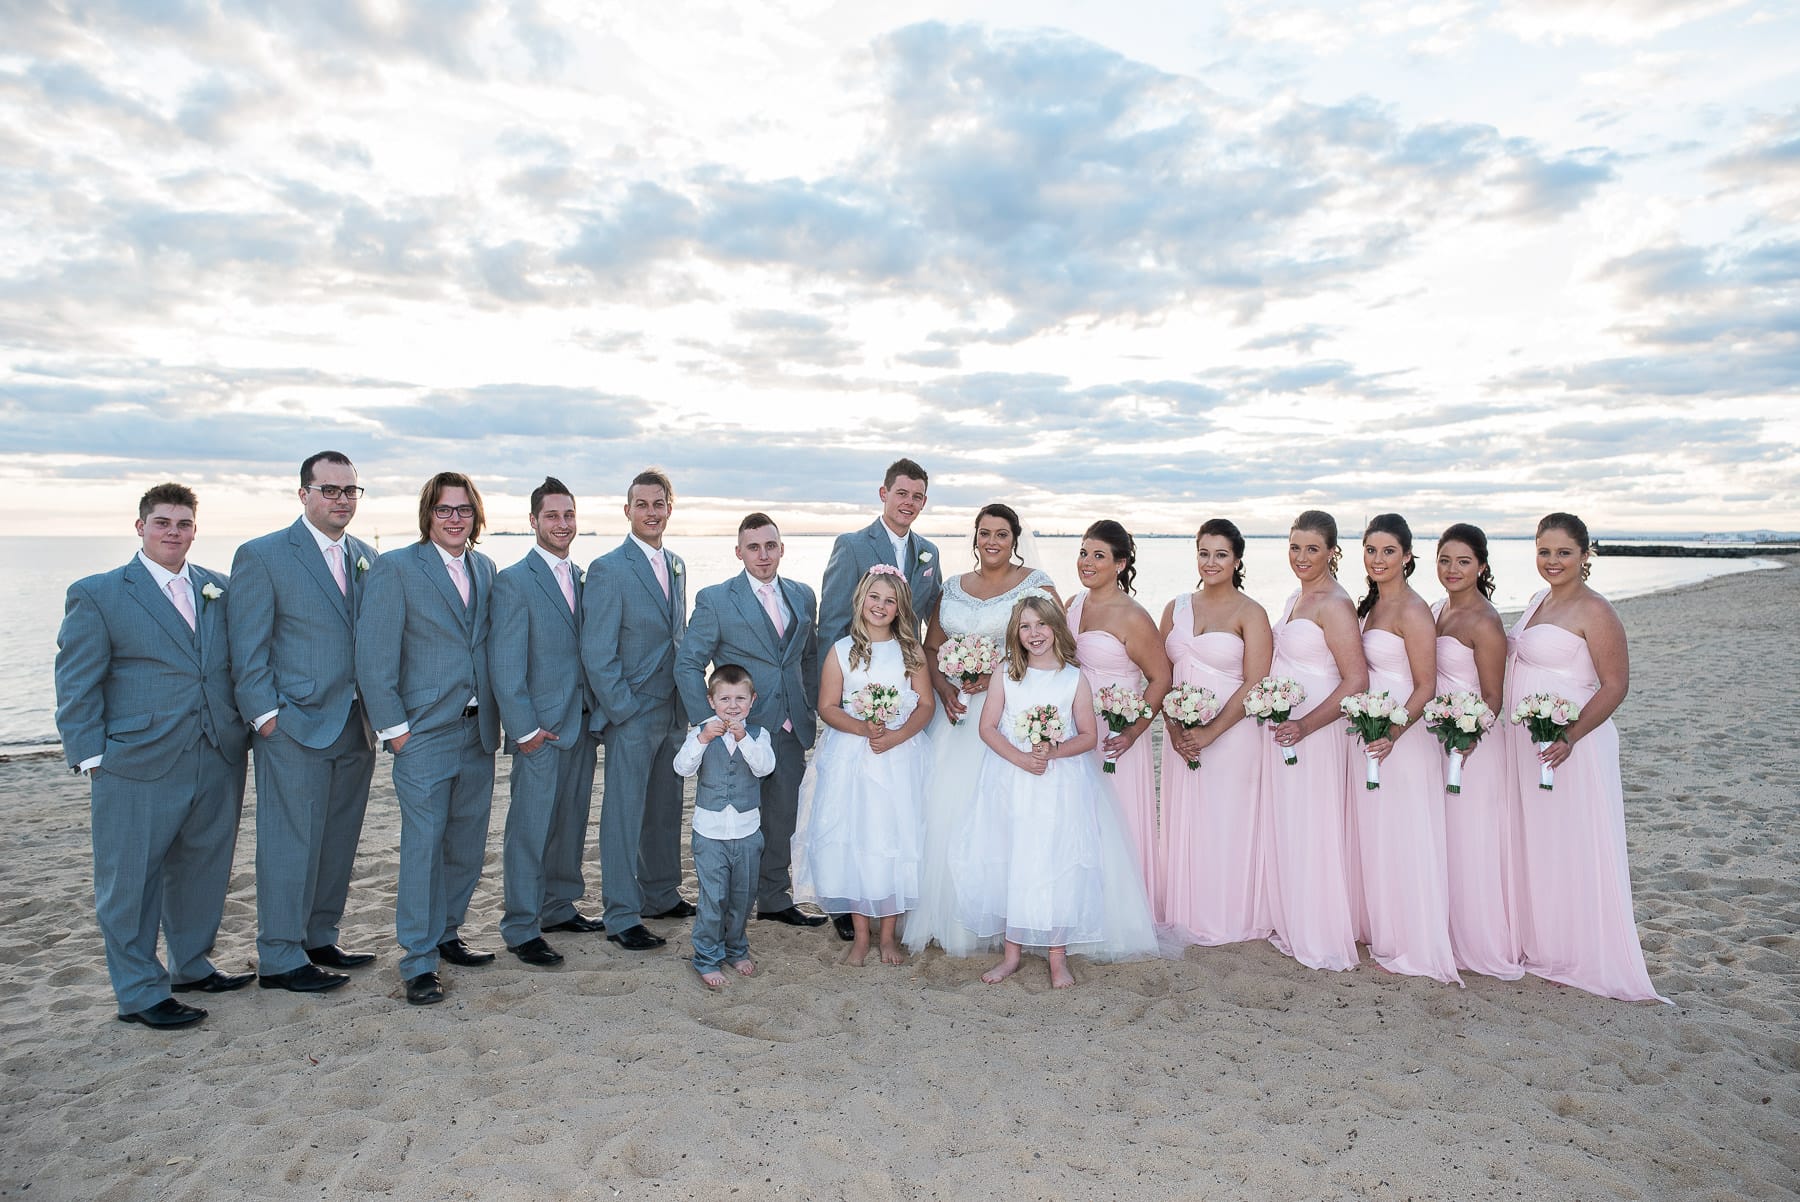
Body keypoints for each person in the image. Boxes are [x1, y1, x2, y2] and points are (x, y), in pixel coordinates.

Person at [54, 483, 251, 1028]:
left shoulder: (220, 588)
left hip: (216, 752)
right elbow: (76, 681)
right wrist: (90, 755)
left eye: (183, 523)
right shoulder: (99, 593)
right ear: (140, 527)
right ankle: (140, 991)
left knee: (204, 867)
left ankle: (190, 964)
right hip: (135, 760)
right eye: (162, 522)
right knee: (131, 879)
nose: (173, 532)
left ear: (194, 529)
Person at [227, 451, 379, 994]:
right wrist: (267, 718)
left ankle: (318, 935)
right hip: (293, 725)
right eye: (330, 490)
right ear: (304, 495)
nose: (341, 499)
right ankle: (279, 956)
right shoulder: (263, 555)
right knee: (290, 841)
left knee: (338, 838)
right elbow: (247, 649)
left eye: (350, 491)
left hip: (355, 724)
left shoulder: (366, 556)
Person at [951, 592, 1159, 989]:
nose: (1034, 633)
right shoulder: (1006, 675)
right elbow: (987, 728)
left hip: (1061, 785)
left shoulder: (1072, 679)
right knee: (1014, 858)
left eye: (1041, 624)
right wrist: (1020, 758)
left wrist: (1054, 750)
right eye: (1025, 626)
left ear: (1055, 628)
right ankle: (1011, 954)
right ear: (1016, 633)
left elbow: (1088, 735)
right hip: (1011, 780)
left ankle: (1057, 957)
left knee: (1058, 860)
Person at [1506, 513, 1667, 1002]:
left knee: (1575, 843)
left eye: (1563, 552)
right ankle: (1547, 945)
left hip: (1572, 745)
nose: (1552, 561)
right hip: (1531, 741)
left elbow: (1616, 684)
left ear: (1585, 555)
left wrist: (1571, 735)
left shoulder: (1595, 610)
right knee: (1540, 843)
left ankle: (1581, 952)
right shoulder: (1537, 601)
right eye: (1543, 551)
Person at [355, 472, 501, 1006]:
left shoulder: (486, 568)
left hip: (477, 729)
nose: (455, 518)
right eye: (444, 510)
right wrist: (396, 733)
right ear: (428, 515)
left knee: (465, 843)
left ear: (475, 515)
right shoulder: (395, 568)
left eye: (463, 509)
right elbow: (373, 657)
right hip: (423, 734)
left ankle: (447, 933)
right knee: (423, 847)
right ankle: (418, 960)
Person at [906, 502, 1056, 957]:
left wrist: (993, 678)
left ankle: (1005, 917)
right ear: (975, 537)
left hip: (1005, 715)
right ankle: (947, 915)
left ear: (1015, 539)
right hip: (954, 713)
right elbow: (931, 647)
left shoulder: (1036, 584)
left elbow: (1048, 648)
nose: (992, 542)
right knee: (943, 809)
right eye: (984, 533)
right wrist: (944, 689)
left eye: (1001, 534)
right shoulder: (952, 586)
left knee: (996, 813)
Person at [675, 513, 823, 928]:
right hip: (739, 731)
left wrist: (808, 704)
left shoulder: (802, 594)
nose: (763, 554)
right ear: (739, 552)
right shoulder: (716, 599)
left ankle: (775, 900)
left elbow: (807, 657)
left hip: (791, 724)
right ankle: (727, 905)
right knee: (735, 821)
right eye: (753, 547)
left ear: (781, 548)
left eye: (770, 545)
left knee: (783, 818)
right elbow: (688, 663)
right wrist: (710, 723)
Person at [817, 456, 940, 940]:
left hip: (906, 690)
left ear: (923, 502)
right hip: (859, 687)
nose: (908, 503)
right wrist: (846, 695)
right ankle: (850, 904)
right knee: (849, 810)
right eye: (901, 493)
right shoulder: (851, 546)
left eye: (917, 497)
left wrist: (945, 677)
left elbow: (933, 623)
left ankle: (891, 898)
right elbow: (831, 623)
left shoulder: (928, 552)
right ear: (884, 493)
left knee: (899, 814)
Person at [791, 566, 934, 967]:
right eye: (875, 597)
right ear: (861, 600)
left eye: (889, 600)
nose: (881, 606)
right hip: (851, 758)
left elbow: (925, 706)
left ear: (900, 607)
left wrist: (895, 736)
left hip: (898, 758)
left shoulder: (911, 653)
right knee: (854, 840)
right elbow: (827, 707)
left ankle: (888, 935)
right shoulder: (842, 651)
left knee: (893, 840)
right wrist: (862, 727)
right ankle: (861, 935)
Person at [489, 477, 605, 969]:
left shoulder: (585, 577)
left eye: (569, 515)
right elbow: (505, 662)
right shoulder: (514, 581)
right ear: (533, 521)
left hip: (580, 723)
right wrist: (524, 730)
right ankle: (521, 925)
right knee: (529, 829)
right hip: (540, 729)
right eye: (552, 516)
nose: (562, 524)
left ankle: (558, 907)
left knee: (570, 823)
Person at [582, 469, 690, 952]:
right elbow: (597, 652)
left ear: (670, 508)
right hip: (631, 712)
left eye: (658, 503)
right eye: (641, 504)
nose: (651, 512)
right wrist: (622, 710)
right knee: (623, 815)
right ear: (627, 511)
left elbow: (676, 636)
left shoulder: (679, 564)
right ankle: (622, 913)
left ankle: (661, 894)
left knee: (665, 810)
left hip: (673, 709)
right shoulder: (609, 568)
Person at [1351, 514, 1461, 985]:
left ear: (1408, 556)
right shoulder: (1372, 606)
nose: (1378, 560)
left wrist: (1392, 734)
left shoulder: (1414, 610)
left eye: (1388, 552)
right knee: (1380, 836)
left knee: (1409, 834)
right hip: (1373, 731)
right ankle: (1387, 933)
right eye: (1371, 551)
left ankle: (1416, 944)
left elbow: (1425, 685)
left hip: (1404, 738)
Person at [1157, 518, 1273, 947]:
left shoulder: (1251, 612)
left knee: (1228, 821)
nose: (1211, 562)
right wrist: (1172, 728)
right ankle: (1185, 912)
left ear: (1237, 559)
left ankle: (1228, 916)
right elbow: (1161, 673)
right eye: (1204, 553)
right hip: (1180, 737)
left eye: (1221, 554)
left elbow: (1256, 682)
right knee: (1186, 820)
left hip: (1232, 735)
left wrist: (1210, 733)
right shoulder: (1176, 607)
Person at [1262, 510, 1367, 972]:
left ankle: (1320, 930)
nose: (1301, 557)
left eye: (1311, 549)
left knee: (1316, 825)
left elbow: (1356, 681)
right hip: (1289, 729)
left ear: (1332, 552)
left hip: (1318, 733)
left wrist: (1305, 725)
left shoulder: (1334, 603)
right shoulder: (1294, 598)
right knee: (1293, 822)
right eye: (1294, 547)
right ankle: (1294, 917)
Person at [1432, 523, 1524, 980]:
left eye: (1463, 561)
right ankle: (1444, 931)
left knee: (1473, 841)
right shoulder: (1436, 611)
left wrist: (1466, 738)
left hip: (1472, 746)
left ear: (1482, 566)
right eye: (1445, 560)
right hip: (1439, 739)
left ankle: (1479, 942)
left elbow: (1493, 696)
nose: (1452, 569)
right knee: (1444, 840)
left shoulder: (1486, 621)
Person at [1066, 520, 1172, 905]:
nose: (1087, 563)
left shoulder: (1132, 616)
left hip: (1116, 735)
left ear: (1120, 564)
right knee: (1080, 815)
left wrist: (1133, 732)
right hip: (1077, 730)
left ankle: (1122, 907)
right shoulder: (1073, 605)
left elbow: (1160, 679)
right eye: (1083, 553)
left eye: (1098, 556)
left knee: (1117, 818)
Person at [672, 664, 774, 988]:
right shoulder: (699, 733)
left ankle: (735, 948)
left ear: (752, 701)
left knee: (743, 898)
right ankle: (706, 957)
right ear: (711, 701)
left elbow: (764, 767)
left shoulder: (759, 735)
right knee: (712, 899)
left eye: (740, 698)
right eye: (725, 698)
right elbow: (682, 766)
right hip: (710, 834)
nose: (733, 705)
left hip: (746, 832)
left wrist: (743, 739)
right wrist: (701, 738)